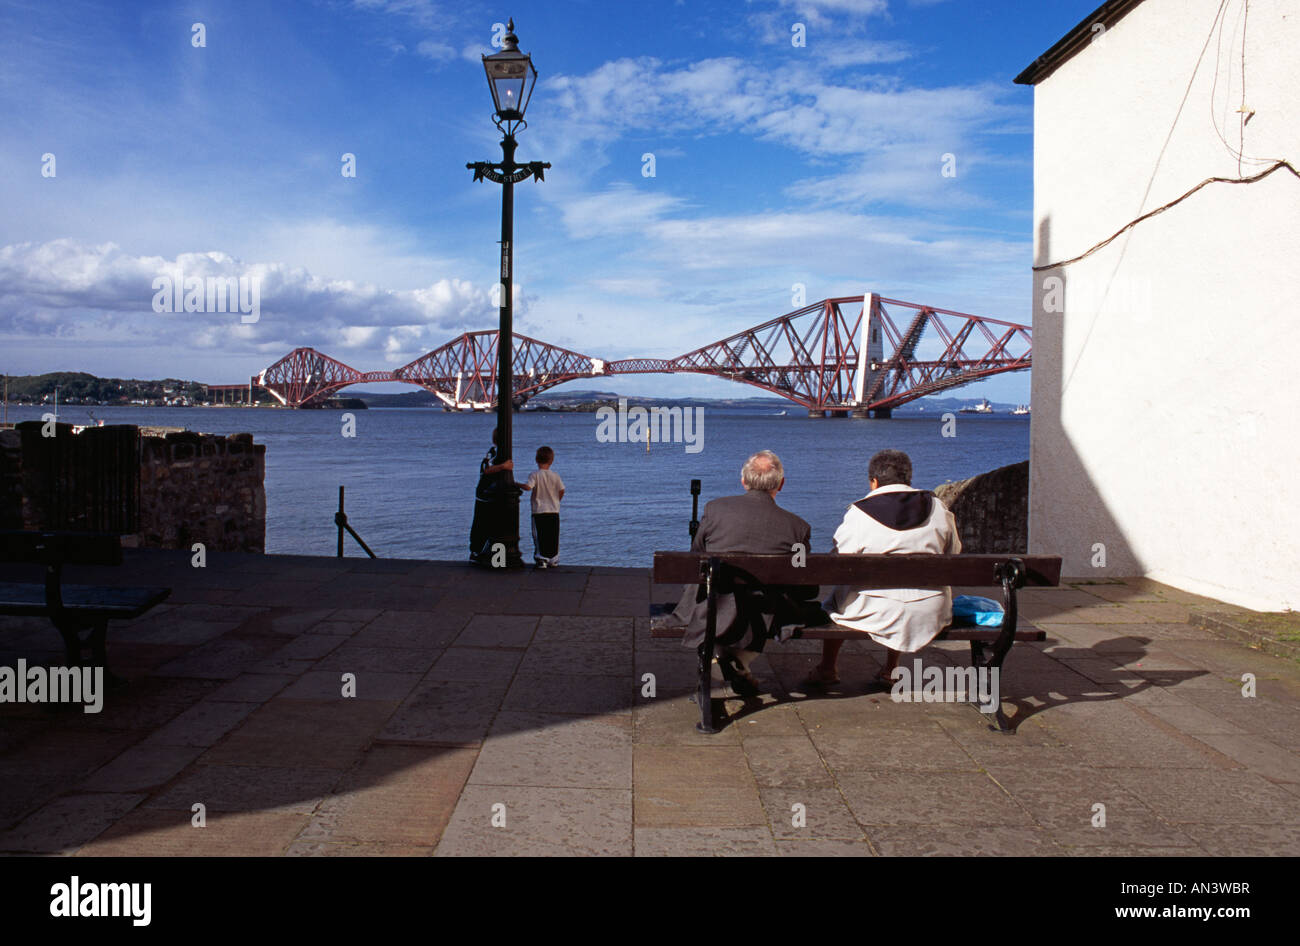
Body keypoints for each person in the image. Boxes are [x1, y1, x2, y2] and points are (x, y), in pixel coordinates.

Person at [660, 450, 820, 697]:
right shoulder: (797, 527)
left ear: (743, 481)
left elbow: (695, 559)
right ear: (781, 484)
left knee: (718, 591)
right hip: (765, 611)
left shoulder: (715, 510)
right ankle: (738, 660)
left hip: (713, 606)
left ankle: (723, 657)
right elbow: (805, 585)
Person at [808, 449, 961, 686]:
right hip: (930, 610)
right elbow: (954, 554)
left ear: (874, 482)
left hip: (874, 611)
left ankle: (828, 668)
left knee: (837, 597)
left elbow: (840, 562)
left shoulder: (859, 513)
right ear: (909, 479)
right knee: (904, 588)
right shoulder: (937, 508)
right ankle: (891, 669)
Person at [468, 427, 514, 565]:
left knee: (489, 525)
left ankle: (492, 556)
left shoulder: (494, 452)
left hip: (488, 493)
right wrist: (503, 467)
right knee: (483, 524)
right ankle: (480, 553)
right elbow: (486, 469)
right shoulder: (495, 453)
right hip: (486, 494)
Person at [519, 445, 565, 568]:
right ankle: (553, 558)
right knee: (553, 534)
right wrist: (556, 500)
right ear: (551, 460)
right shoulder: (555, 475)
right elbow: (561, 490)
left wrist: (516, 483)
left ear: (536, 459)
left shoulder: (534, 475)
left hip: (539, 510)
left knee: (539, 535)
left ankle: (541, 558)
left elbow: (528, 487)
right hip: (554, 510)